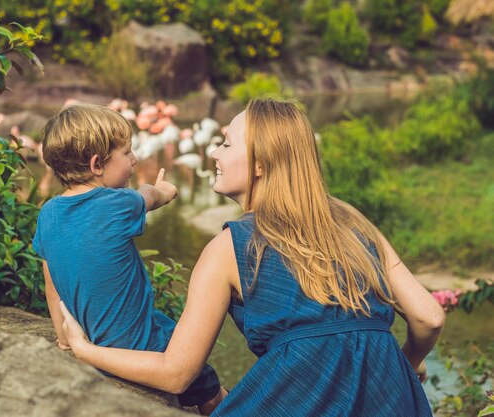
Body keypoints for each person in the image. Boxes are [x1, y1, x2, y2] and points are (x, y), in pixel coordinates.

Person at [58, 97, 446, 416]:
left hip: (301, 400)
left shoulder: (229, 248)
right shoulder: (356, 223)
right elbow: (429, 316)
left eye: (226, 143)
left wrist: (85, 350)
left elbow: (176, 374)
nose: (213, 150)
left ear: (261, 164)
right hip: (393, 399)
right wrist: (406, 362)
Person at [33, 103, 226, 414]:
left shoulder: (47, 214)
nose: (135, 160)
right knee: (212, 391)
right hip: (142, 347)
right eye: (127, 153)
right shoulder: (117, 204)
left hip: (95, 341)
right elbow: (149, 196)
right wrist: (164, 190)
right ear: (97, 165)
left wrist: (64, 339)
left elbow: (51, 283)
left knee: (167, 323)